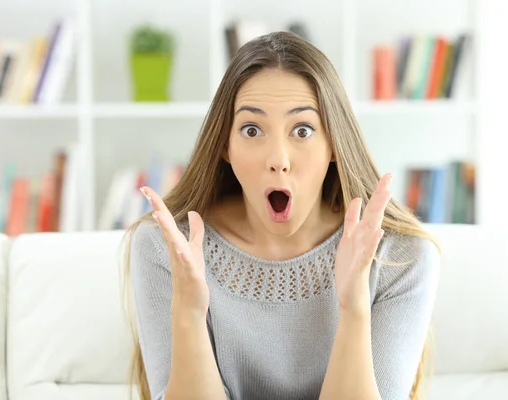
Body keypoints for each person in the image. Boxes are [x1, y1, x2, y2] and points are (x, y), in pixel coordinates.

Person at [122, 31, 441, 400]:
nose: (278, 160)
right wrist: (190, 316)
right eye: (252, 130)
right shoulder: (168, 249)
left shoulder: (401, 258)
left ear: (334, 143)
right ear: (225, 145)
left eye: (302, 130)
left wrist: (353, 308)